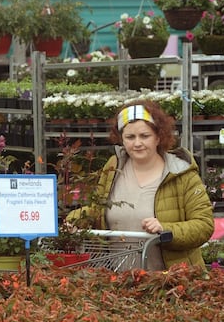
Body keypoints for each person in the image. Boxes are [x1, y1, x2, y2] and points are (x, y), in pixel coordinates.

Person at [66, 99, 214, 271]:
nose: (137, 143)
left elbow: (204, 225)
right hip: (117, 280)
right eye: (130, 137)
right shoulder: (114, 167)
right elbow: (97, 210)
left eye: (145, 136)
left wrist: (165, 228)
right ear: (121, 139)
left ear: (158, 137)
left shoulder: (181, 173)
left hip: (172, 283)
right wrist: (75, 220)